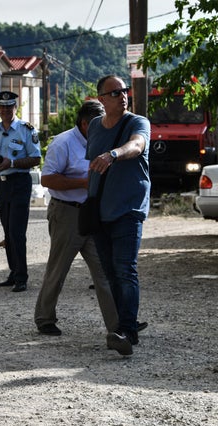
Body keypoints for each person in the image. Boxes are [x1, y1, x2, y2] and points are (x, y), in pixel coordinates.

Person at [33, 100, 120, 337]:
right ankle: (44, 318)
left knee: (104, 270)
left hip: (92, 212)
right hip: (66, 213)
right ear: (84, 123)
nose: (104, 126)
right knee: (58, 268)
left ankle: (119, 324)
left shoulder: (102, 141)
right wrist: (83, 182)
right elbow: (47, 179)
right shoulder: (63, 143)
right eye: (98, 122)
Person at [86, 74, 151, 356]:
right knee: (111, 272)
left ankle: (128, 332)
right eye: (114, 93)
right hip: (100, 211)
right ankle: (123, 324)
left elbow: (137, 146)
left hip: (128, 208)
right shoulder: (94, 127)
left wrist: (113, 154)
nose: (122, 95)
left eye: (124, 90)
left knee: (126, 270)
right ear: (100, 99)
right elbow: (90, 165)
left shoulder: (138, 122)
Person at [0, 91, 42, 292]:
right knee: (7, 230)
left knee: (16, 231)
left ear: (15, 107)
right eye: (1, 107)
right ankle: (14, 272)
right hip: (1, 184)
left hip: (19, 182)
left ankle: (22, 276)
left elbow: (36, 158)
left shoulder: (25, 130)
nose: (5, 110)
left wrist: (12, 162)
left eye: (9, 106)